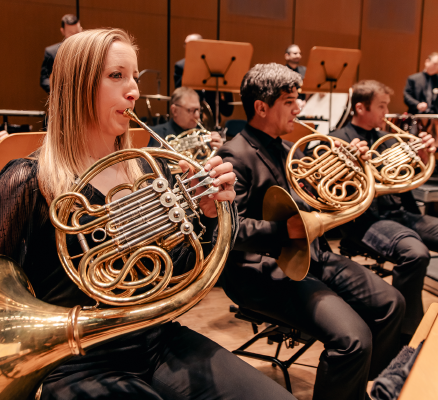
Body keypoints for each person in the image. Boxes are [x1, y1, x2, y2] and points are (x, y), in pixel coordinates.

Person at [0, 29, 296, 400]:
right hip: (78, 359)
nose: (134, 92)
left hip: (157, 337)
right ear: (77, 86)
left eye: (135, 77)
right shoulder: (27, 179)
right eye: (116, 76)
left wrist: (207, 213)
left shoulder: (145, 170)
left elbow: (176, 269)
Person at [217, 63, 405, 400]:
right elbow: (230, 230)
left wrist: (354, 168)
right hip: (263, 271)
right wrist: (283, 231)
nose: (299, 108)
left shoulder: (291, 150)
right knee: (353, 340)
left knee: (391, 303)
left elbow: (325, 199)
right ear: (261, 107)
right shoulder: (235, 154)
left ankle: (357, 388)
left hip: (313, 256)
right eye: (290, 101)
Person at [331, 79, 437, 341]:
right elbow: (331, 190)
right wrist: (351, 163)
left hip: (401, 214)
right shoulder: (336, 139)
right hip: (366, 221)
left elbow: (408, 175)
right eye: (381, 106)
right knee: (416, 253)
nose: (386, 112)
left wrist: (423, 157)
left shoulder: (387, 139)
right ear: (360, 108)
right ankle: (407, 333)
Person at [174, 33, 234, 121]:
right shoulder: (181, 66)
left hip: (213, 115)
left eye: (191, 44)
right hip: (190, 115)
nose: (187, 47)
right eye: (186, 45)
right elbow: (180, 91)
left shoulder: (214, 65)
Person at [149, 87, 223, 150]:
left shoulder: (206, 138)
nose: (197, 115)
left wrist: (219, 151)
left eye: (198, 110)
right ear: (174, 110)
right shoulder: (154, 135)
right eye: (191, 110)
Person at [40, 14, 82, 94]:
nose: (75, 36)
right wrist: (57, 92)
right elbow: (44, 79)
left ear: (81, 29)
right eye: (71, 33)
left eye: (77, 32)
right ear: (62, 31)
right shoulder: (51, 52)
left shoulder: (89, 50)